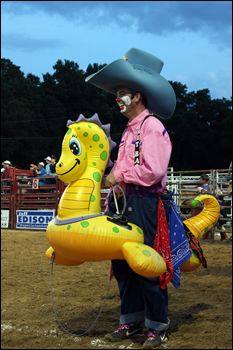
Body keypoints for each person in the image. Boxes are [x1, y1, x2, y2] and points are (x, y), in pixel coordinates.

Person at [86, 48, 177, 348]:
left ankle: (157, 325)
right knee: (123, 264)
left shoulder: (152, 127)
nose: (118, 98)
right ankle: (132, 321)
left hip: (143, 203)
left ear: (138, 96)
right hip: (123, 203)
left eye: (123, 93)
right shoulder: (129, 130)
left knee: (145, 263)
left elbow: (153, 171)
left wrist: (118, 177)